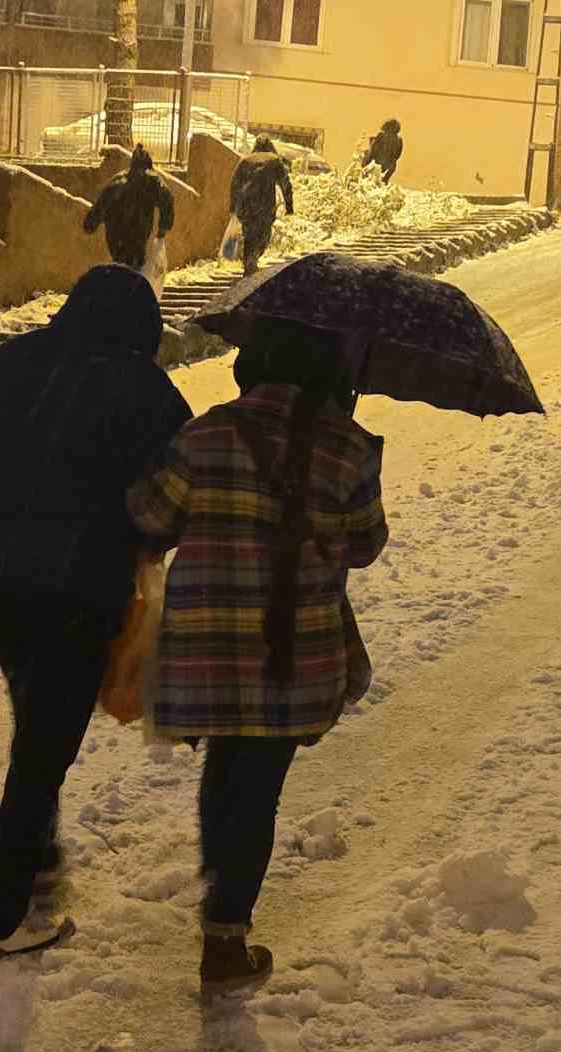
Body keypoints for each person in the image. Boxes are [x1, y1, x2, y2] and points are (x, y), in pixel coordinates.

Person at [128, 319, 388, 993]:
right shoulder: (350, 448)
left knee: (226, 769)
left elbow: (152, 519)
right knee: (257, 785)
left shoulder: (206, 434)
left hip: (207, 647)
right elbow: (365, 543)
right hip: (292, 649)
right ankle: (225, 933)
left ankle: (221, 908)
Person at [0, 264, 193, 963]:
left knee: (35, 720)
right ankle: (3, 921)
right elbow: (169, 493)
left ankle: (38, 859)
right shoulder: (144, 387)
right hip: (77, 581)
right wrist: (143, 542)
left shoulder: (10, 362)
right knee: (43, 746)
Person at [82, 143, 175, 270]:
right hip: (137, 233)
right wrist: (163, 228)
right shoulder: (151, 181)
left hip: (119, 235)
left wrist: (91, 223)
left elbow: (101, 205)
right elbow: (166, 199)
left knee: (123, 265)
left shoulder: (118, 183)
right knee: (133, 266)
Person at [229, 136, 295, 277]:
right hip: (265, 205)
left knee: (249, 235)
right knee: (263, 235)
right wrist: (289, 206)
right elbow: (285, 184)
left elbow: (235, 184)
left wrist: (233, 207)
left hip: (247, 207)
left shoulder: (245, 161)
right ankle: (252, 261)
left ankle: (249, 264)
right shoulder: (274, 161)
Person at [362, 119, 404, 184]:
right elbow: (398, 155)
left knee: (364, 154)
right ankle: (384, 181)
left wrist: (368, 160)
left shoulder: (381, 135)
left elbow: (373, 150)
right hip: (389, 165)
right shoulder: (399, 140)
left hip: (377, 162)